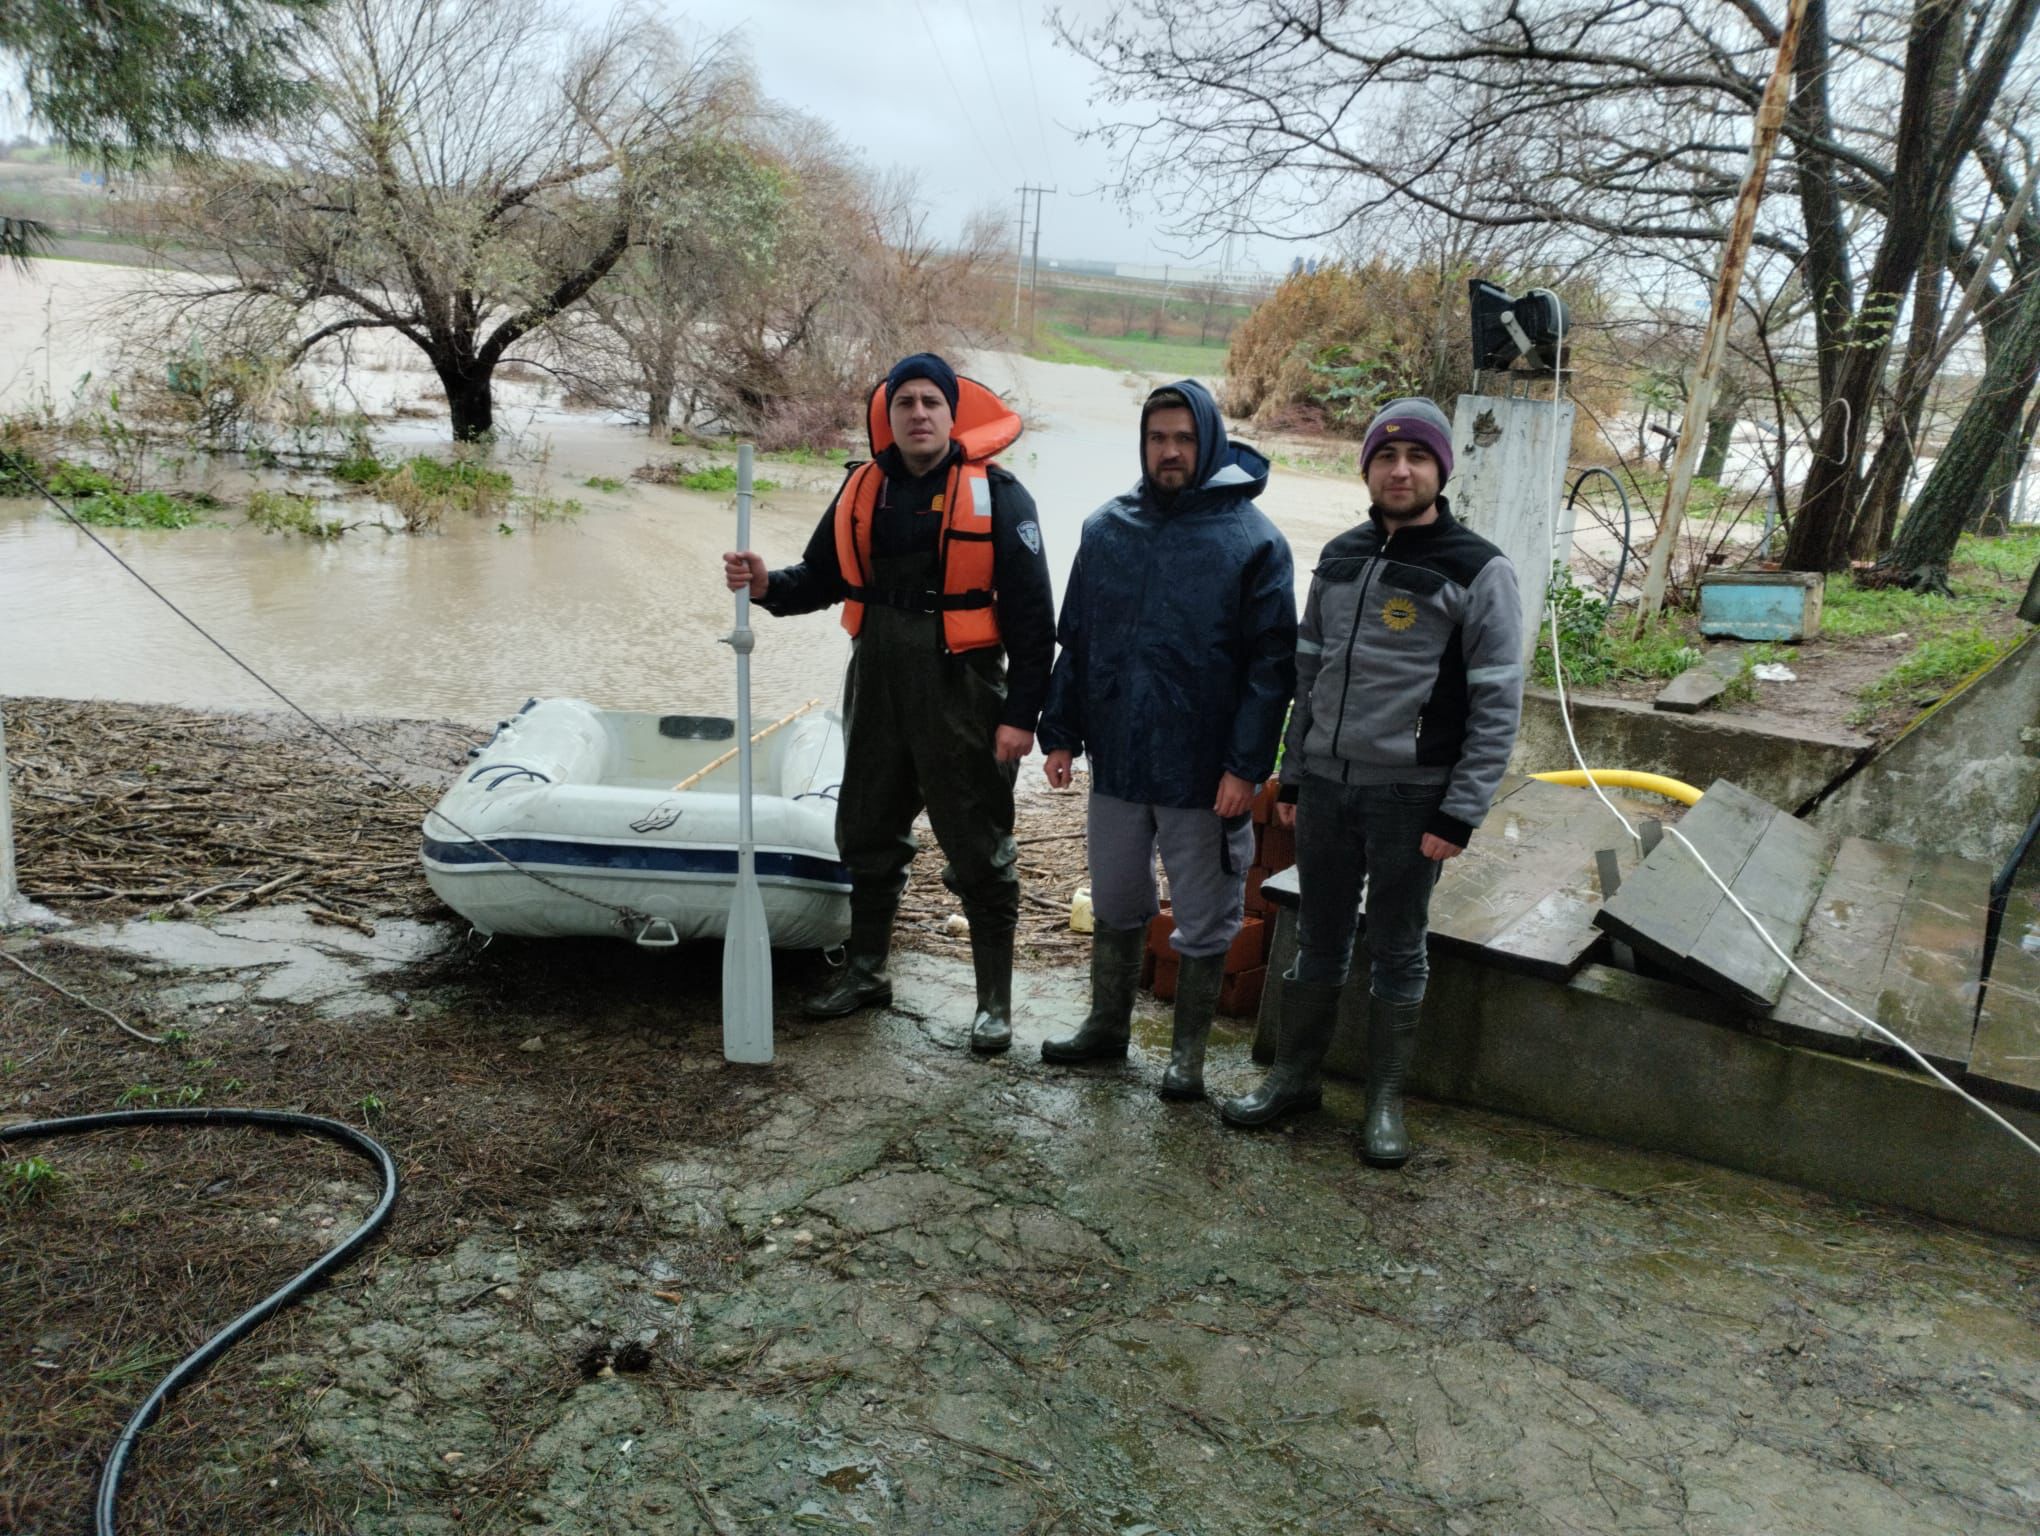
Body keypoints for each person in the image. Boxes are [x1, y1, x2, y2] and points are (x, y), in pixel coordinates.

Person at [1219, 397, 1523, 1166]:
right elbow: (1308, 671)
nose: (1400, 470)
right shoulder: (1344, 555)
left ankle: (1383, 1102)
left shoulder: (1478, 568)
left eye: (1417, 457)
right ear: (1366, 468)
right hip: (1325, 787)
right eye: (1386, 457)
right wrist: (1292, 773)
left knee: (1397, 948)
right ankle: (1293, 1077)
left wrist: (1460, 813)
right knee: (1315, 939)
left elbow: (1497, 703)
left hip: (1409, 797)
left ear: (1440, 470)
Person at [722, 354, 1054, 1053]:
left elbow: (1033, 619)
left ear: (953, 413)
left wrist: (1022, 716)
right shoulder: (861, 488)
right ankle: (867, 972)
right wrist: (765, 585)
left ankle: (995, 1004)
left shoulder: (1001, 495)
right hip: (875, 678)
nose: (919, 414)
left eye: (932, 401)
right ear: (889, 415)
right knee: (867, 830)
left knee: (979, 848)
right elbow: (820, 576)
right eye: (905, 402)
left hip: (963, 686)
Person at [1035, 379, 1295, 1099]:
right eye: (1158, 438)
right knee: (1117, 901)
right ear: (1142, 444)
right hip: (1119, 760)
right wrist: (1059, 732)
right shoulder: (1106, 528)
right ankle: (1106, 1030)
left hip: (1205, 773)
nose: (1170, 451)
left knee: (1207, 919)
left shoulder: (1254, 542)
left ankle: (1187, 1059)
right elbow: (1077, 642)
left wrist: (1246, 767)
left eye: (1184, 438)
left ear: (1207, 441)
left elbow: (1272, 670)